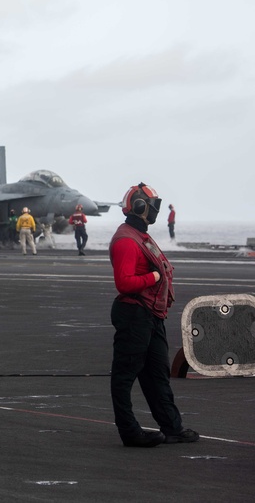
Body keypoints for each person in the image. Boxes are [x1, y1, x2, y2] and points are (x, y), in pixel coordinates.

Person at [109, 183, 198, 447]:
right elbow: (124, 283)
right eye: (153, 206)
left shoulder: (140, 235)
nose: (156, 210)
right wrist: (154, 276)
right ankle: (129, 432)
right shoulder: (127, 239)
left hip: (150, 315)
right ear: (139, 207)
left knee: (157, 373)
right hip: (134, 314)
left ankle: (172, 427)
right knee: (125, 376)